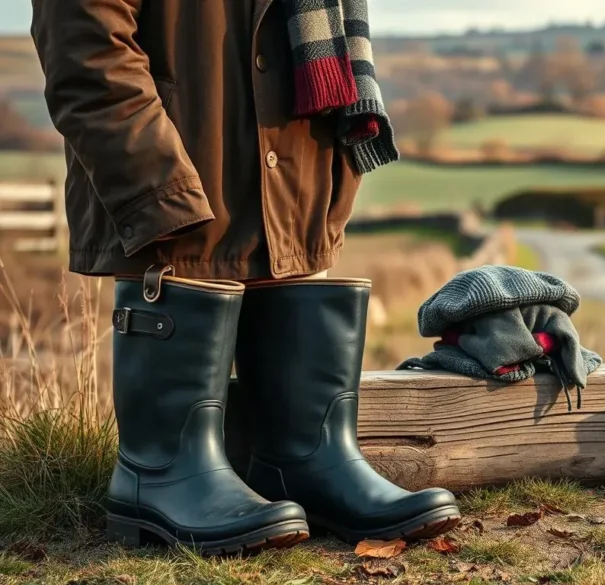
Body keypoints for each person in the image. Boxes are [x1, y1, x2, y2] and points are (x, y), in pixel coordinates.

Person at [30, 0, 461, 554]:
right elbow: (84, 44)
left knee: (288, 279)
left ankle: (304, 461)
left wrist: (333, 172)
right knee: (181, 275)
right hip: (181, 148)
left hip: (292, 146)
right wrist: (158, 190)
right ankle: (160, 476)